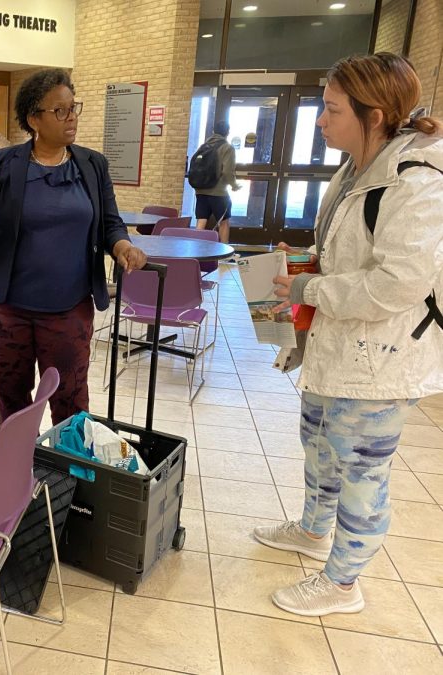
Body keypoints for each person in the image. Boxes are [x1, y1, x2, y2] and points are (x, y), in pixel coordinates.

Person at [255, 52, 443, 617]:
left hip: (382, 357)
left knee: (361, 466)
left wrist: (309, 291)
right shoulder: (355, 167)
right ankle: (313, 531)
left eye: (331, 109)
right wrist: (307, 264)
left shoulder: (416, 182)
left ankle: (342, 583)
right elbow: (346, 252)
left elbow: (398, 283)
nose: (320, 120)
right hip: (336, 346)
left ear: (376, 113)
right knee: (318, 444)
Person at [0, 68, 147, 425]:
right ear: (33, 118)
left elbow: (110, 222)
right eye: (60, 111)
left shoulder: (93, 165)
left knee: (71, 403)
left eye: (73, 107)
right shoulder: (4, 165)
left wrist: (122, 245)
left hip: (69, 310)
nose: (71, 117)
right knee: (14, 405)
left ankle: (72, 478)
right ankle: (20, 476)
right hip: (5, 310)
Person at [193, 120, 240, 243]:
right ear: (227, 132)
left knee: (201, 220)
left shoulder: (203, 146)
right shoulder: (227, 148)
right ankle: (224, 253)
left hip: (201, 190)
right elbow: (227, 171)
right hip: (218, 192)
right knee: (224, 222)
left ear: (213, 131)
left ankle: (195, 249)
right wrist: (234, 185)